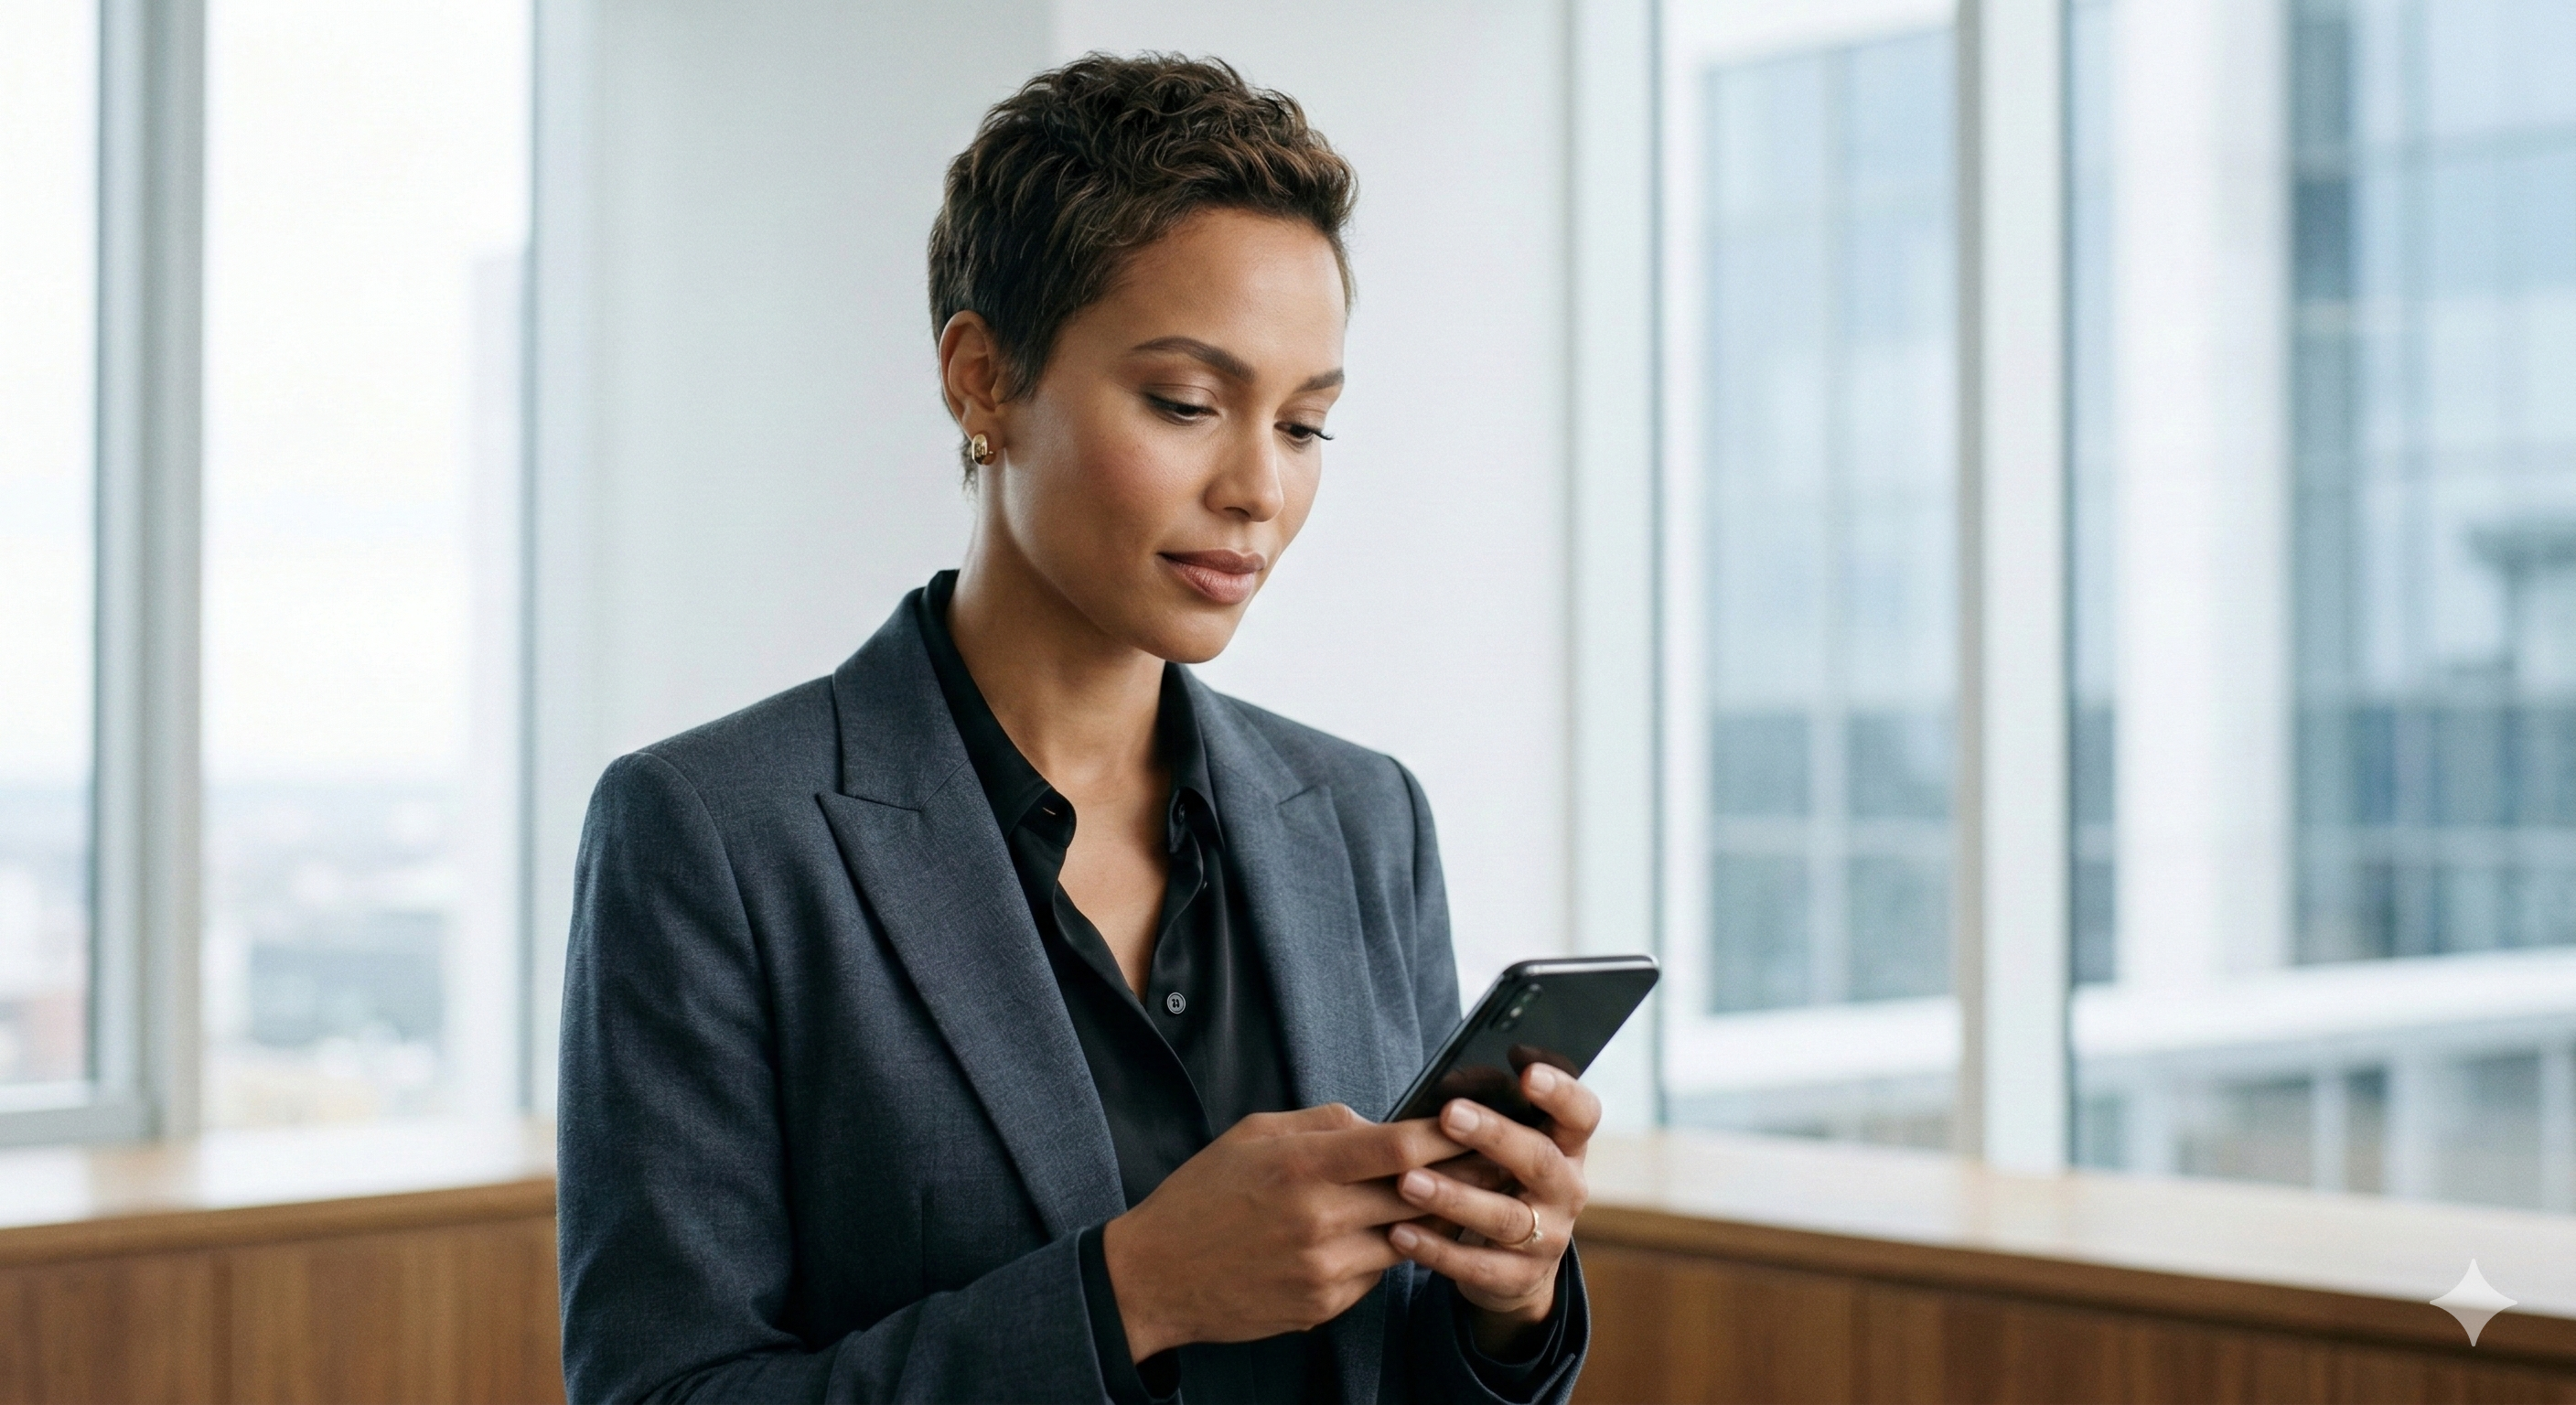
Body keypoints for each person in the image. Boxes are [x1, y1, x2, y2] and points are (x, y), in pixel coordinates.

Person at [556, 53, 1596, 1404]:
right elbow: (659, 1390)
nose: (1259, 489)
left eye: (1305, 426)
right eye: (1187, 404)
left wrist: (1507, 1303)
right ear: (983, 378)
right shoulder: (715, 836)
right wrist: (1134, 1294)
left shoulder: (1363, 817)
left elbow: (1396, 1363)